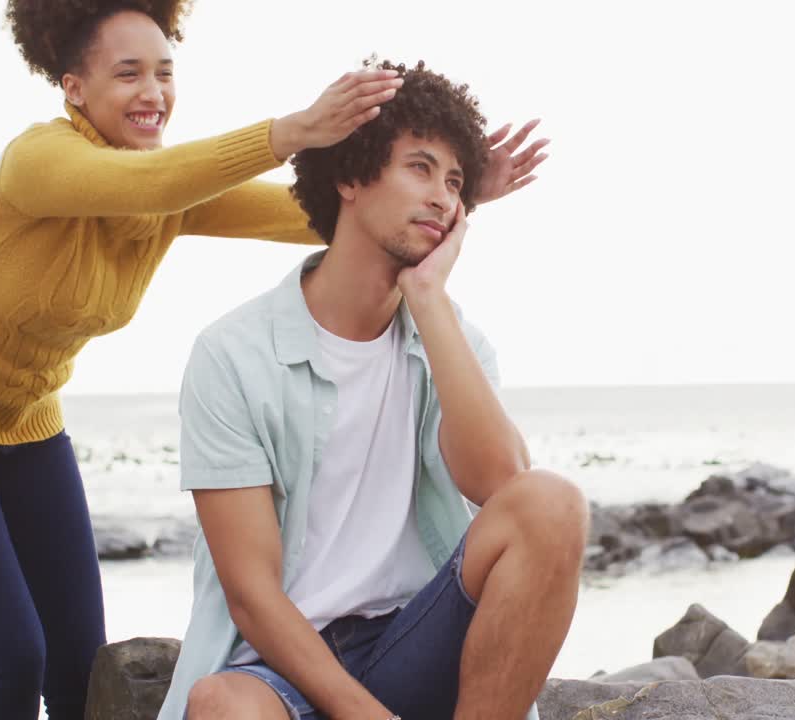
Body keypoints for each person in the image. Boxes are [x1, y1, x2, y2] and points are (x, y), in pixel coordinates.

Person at [0, 3, 543, 718]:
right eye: (128, 74)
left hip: (27, 422)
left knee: (77, 665)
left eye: (164, 73)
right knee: (12, 659)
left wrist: (443, 200)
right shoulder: (36, 163)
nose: (153, 92)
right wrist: (293, 131)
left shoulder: (171, 196)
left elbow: (330, 216)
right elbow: (146, 184)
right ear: (73, 88)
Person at [161, 59, 584, 720]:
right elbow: (251, 596)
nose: (443, 198)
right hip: (286, 666)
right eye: (420, 168)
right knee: (221, 706)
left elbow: (504, 485)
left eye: (455, 182)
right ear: (351, 177)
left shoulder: (456, 343)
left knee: (553, 503)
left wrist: (428, 298)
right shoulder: (232, 355)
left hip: (415, 639)